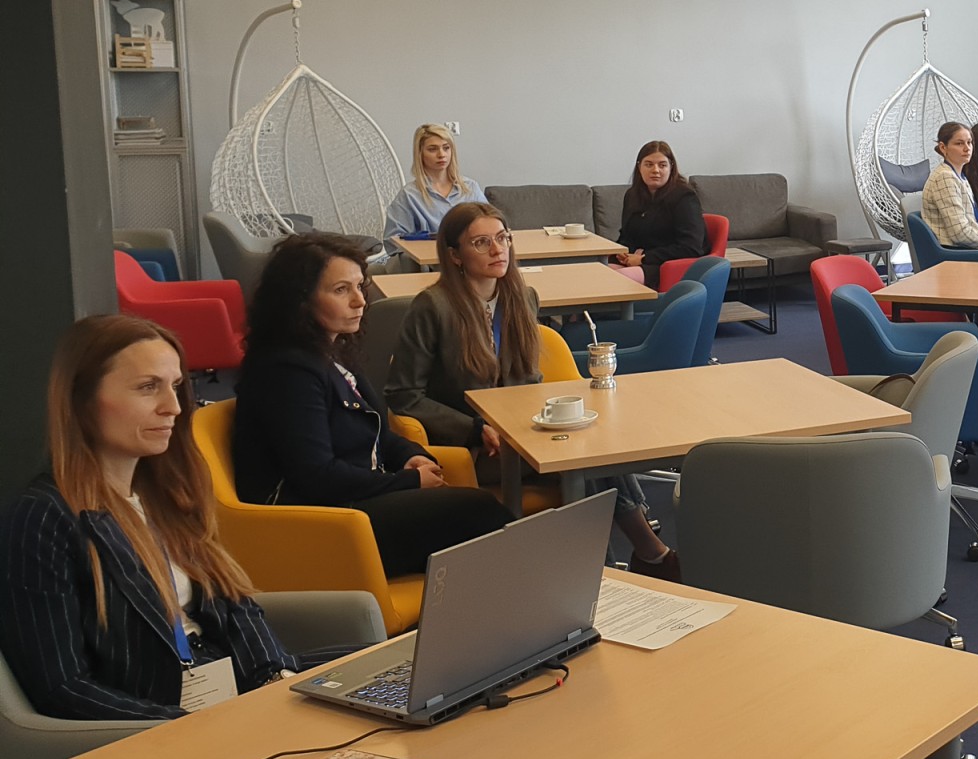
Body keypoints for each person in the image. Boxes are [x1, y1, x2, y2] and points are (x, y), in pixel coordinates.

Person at [0, 315, 301, 719]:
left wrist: (276, 680)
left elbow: (235, 605)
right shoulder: (42, 518)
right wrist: (186, 726)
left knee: (370, 675)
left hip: (232, 692)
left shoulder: (168, 493)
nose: (173, 407)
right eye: (148, 387)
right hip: (154, 721)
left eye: (175, 386)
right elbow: (62, 688)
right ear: (80, 400)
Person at [386, 203, 681, 579]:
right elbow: (403, 395)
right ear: (455, 255)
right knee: (581, 460)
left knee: (588, 449)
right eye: (481, 242)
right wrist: (473, 429)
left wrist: (544, 418)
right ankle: (641, 557)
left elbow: (529, 380)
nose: (497, 250)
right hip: (474, 445)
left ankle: (617, 566)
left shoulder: (522, 298)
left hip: (525, 431)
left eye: (502, 238)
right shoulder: (432, 307)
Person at [232, 233, 514, 579]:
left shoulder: (330, 353)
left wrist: (409, 455)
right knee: (481, 513)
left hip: (355, 504)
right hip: (320, 524)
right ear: (299, 300)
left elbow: (376, 430)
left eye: (359, 286)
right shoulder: (287, 371)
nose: (360, 301)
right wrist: (408, 481)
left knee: (481, 522)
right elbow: (317, 477)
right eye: (341, 290)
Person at [611, 140, 706, 288]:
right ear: (639, 167)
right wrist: (622, 253)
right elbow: (626, 236)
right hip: (637, 262)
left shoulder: (684, 197)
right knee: (592, 274)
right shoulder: (632, 195)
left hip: (665, 266)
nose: (655, 170)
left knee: (611, 281)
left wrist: (644, 258)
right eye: (649, 164)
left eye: (662, 165)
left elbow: (691, 247)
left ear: (671, 167)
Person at [384, 123, 486, 239]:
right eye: (432, 149)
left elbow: (491, 227)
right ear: (420, 154)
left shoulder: (470, 188)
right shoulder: (409, 196)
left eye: (446, 148)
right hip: (429, 251)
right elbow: (394, 241)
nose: (441, 154)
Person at [921, 121, 978, 251]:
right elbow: (959, 233)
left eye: (969, 142)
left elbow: (967, 222)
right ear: (943, 148)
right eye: (959, 143)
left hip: (959, 247)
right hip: (953, 251)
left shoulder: (959, 176)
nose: (967, 148)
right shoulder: (945, 177)